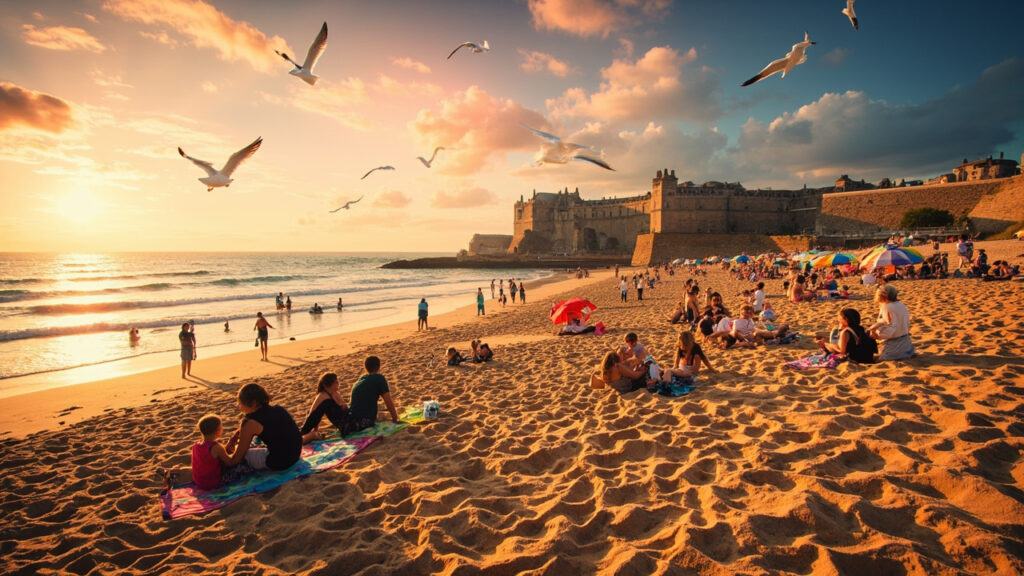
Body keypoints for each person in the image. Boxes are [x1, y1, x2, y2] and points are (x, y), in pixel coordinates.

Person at [225, 383, 302, 471]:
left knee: (244, 455)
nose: (240, 407)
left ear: (253, 403)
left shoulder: (250, 423)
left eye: (240, 403)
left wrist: (227, 452)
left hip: (280, 463)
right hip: (296, 455)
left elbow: (236, 459)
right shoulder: (279, 409)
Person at [191, 414, 252, 490]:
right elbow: (230, 462)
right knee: (243, 463)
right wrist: (239, 450)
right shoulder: (216, 447)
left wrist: (230, 443)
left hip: (199, 481)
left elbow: (214, 457)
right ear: (217, 431)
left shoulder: (196, 445)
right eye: (221, 427)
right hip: (212, 483)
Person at [298, 373, 353, 443]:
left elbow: (343, 406)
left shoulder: (336, 393)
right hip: (342, 424)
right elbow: (313, 413)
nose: (338, 384)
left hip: (345, 419)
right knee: (326, 403)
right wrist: (315, 428)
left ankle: (310, 435)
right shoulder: (322, 396)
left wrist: (343, 406)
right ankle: (310, 435)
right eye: (336, 382)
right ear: (329, 385)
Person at [867, 284, 914, 361]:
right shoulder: (900, 304)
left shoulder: (888, 307)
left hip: (894, 345)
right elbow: (890, 321)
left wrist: (877, 335)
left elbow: (892, 327)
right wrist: (875, 326)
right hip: (906, 342)